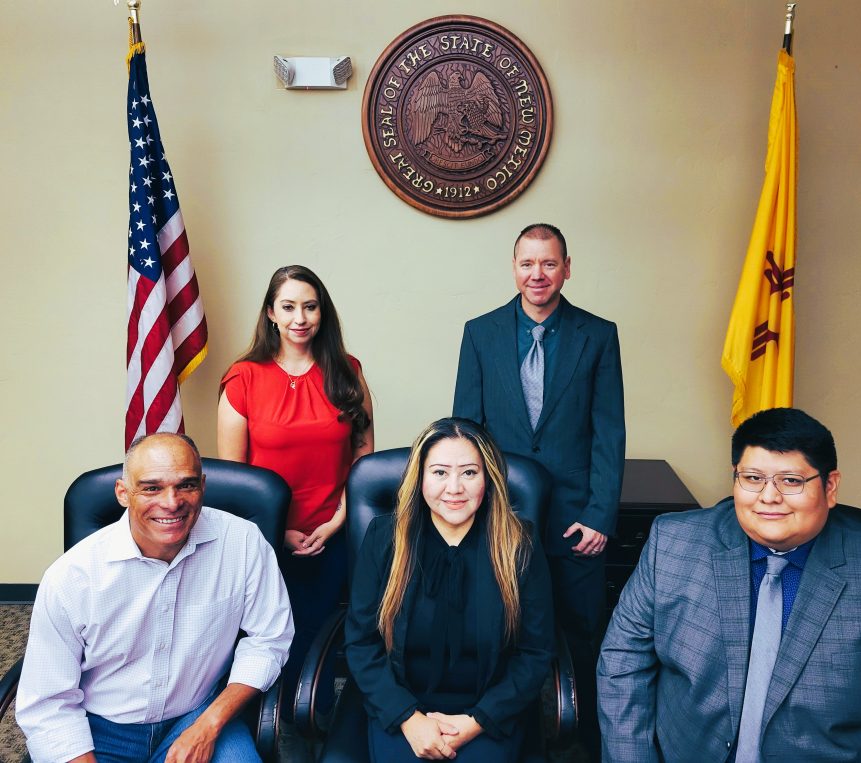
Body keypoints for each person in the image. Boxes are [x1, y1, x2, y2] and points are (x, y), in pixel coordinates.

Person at [597, 407, 861, 762]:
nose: (768, 497)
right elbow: (622, 662)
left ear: (830, 486)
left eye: (791, 481)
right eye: (752, 478)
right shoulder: (673, 544)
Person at [452, 222, 625, 758]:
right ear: (514, 268)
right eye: (527, 263)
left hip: (576, 520)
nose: (538, 274)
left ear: (566, 269)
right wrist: (470, 514)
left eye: (549, 263)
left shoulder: (598, 335)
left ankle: (585, 743)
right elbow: (465, 432)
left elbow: (608, 432)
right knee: (502, 633)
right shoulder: (480, 333)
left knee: (581, 634)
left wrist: (600, 514)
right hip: (500, 519)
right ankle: (506, 735)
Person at [16, 433, 293, 763]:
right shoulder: (72, 576)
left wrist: (210, 724)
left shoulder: (243, 542)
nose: (172, 502)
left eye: (186, 485)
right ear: (123, 493)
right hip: (97, 728)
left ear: (203, 486)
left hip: (197, 715)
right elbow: (48, 701)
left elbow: (269, 639)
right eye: (151, 488)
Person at [217, 265, 373, 748]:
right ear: (271, 313)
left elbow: (364, 459)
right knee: (262, 632)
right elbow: (235, 479)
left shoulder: (347, 371)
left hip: (333, 529)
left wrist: (339, 520)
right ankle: (255, 723)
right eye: (288, 307)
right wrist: (278, 531)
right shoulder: (244, 378)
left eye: (309, 306)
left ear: (322, 312)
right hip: (265, 535)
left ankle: (310, 720)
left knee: (317, 629)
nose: (300, 318)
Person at [345, 418, 554, 761]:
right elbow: (360, 642)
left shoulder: (519, 543)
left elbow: (535, 652)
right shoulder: (385, 539)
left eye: (469, 472)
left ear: (488, 478)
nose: (454, 488)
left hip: (489, 712)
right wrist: (408, 718)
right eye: (440, 472)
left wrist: (477, 722)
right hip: (400, 708)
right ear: (420, 478)